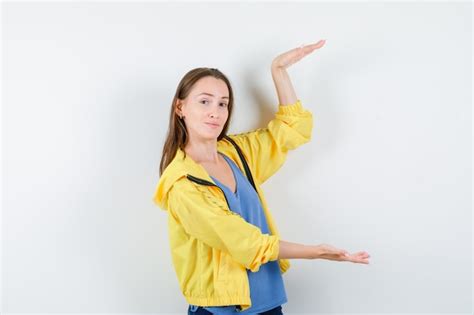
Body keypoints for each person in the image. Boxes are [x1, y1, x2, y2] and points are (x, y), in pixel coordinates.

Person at [153, 40, 371, 315]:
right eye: (204, 101)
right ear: (180, 108)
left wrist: (278, 71)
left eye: (223, 104)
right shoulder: (182, 184)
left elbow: (292, 130)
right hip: (220, 310)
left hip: (267, 302)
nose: (215, 112)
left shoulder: (236, 152)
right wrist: (316, 252)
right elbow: (246, 243)